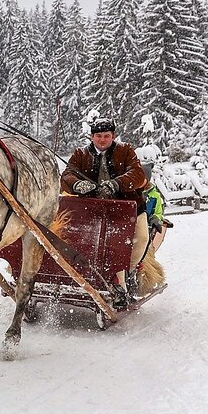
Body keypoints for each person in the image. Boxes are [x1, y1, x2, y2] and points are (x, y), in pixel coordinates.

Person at [60, 117, 149, 305]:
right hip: (92, 209)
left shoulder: (126, 151)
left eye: (106, 136)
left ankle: (129, 271)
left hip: (128, 208)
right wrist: (77, 185)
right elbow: (66, 175)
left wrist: (117, 183)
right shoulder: (80, 154)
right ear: (92, 137)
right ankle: (112, 285)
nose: (102, 140)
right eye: (98, 136)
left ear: (113, 136)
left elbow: (138, 175)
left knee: (141, 239)